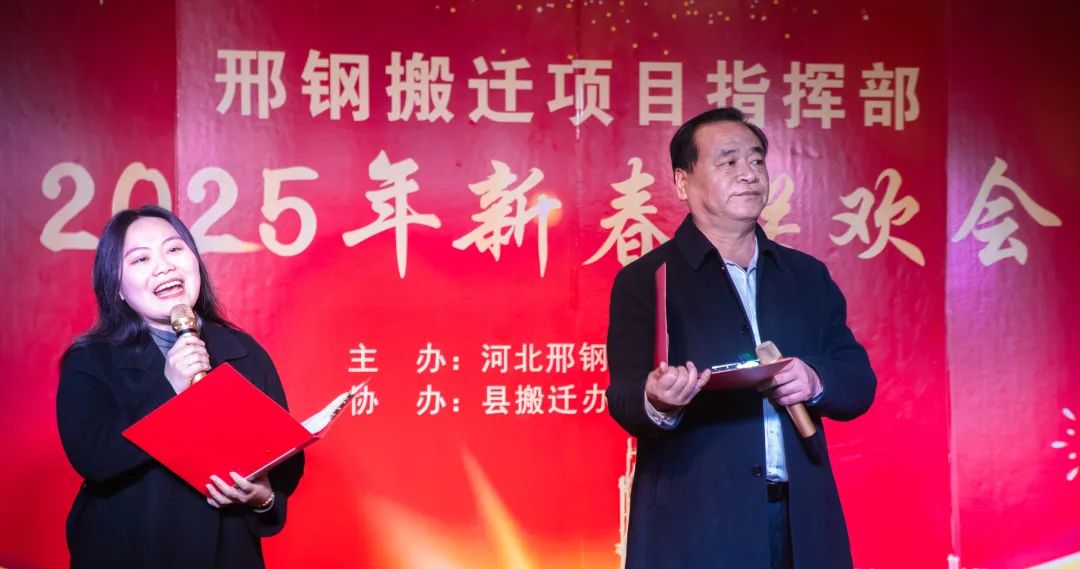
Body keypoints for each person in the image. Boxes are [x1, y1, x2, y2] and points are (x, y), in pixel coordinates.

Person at [606, 108, 876, 569]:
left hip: (800, 518)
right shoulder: (646, 279)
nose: (748, 173)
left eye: (756, 160)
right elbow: (624, 398)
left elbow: (857, 381)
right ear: (683, 182)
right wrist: (658, 399)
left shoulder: (805, 276)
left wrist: (816, 381)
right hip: (696, 522)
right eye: (728, 161)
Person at [56, 205, 304, 568]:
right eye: (141, 259)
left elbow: (285, 464)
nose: (164, 267)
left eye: (174, 249)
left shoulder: (243, 352)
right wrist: (167, 388)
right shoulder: (91, 360)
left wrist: (263, 497)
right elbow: (93, 457)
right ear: (117, 288)